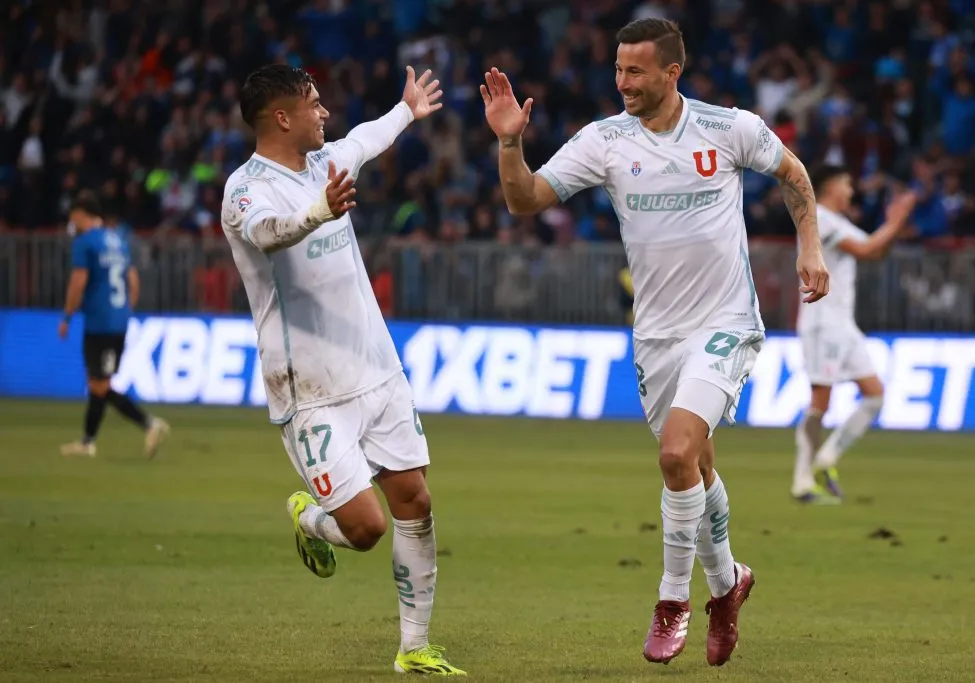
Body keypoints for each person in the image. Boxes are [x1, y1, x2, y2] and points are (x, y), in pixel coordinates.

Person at [480, 18, 829, 668]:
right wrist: (508, 144)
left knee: (675, 455)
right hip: (657, 337)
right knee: (696, 468)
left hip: (726, 324)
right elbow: (524, 200)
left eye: (636, 71)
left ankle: (674, 600)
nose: (623, 82)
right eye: (618, 70)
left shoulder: (729, 129)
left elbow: (793, 173)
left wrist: (809, 244)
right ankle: (728, 586)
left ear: (673, 72)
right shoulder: (605, 140)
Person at [219, 64, 464, 676]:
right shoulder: (245, 189)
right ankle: (309, 516)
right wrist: (318, 213)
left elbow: (366, 138)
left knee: (415, 498)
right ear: (282, 116)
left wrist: (407, 109)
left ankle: (414, 647)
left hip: (377, 368)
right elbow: (268, 233)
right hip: (310, 389)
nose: (324, 113)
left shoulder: (325, 160)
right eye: (314, 103)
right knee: (365, 528)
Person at [793, 167, 916, 503]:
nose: (851, 191)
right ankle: (802, 482)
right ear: (831, 186)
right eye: (847, 184)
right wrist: (895, 220)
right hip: (822, 321)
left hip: (842, 322)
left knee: (874, 394)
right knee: (821, 400)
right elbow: (865, 250)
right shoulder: (819, 218)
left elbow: (875, 251)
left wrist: (894, 225)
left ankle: (826, 459)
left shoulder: (841, 223)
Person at [58, 191, 170, 458]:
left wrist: (67, 316)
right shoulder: (117, 239)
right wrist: (123, 310)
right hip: (117, 321)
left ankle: (148, 424)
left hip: (99, 323)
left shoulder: (85, 243)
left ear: (80, 214)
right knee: (98, 382)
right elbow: (133, 281)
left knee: (99, 385)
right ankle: (88, 441)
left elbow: (78, 282)